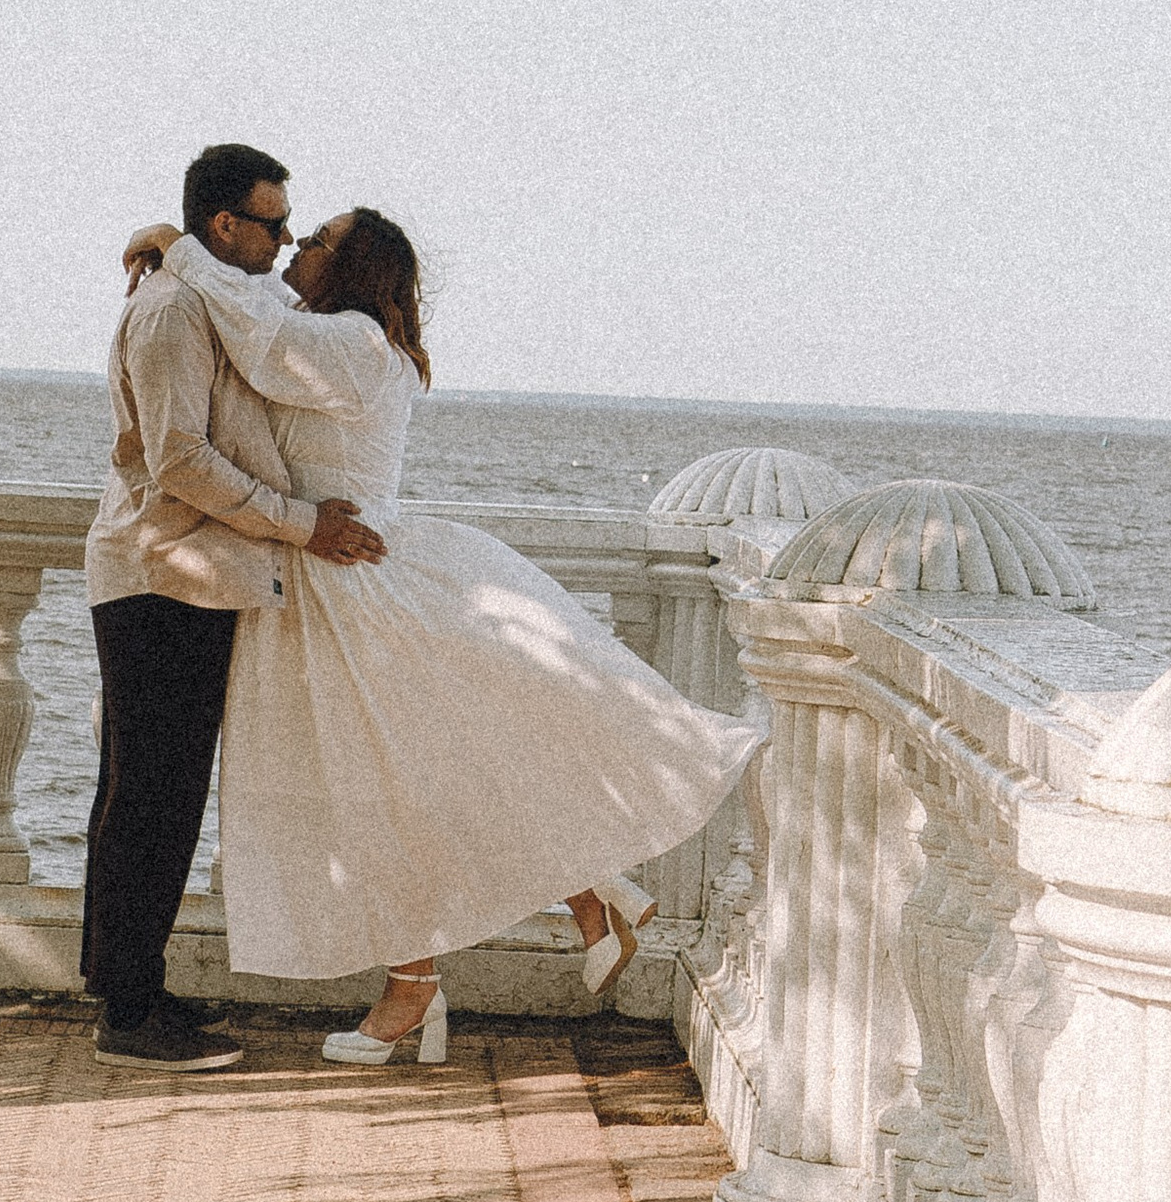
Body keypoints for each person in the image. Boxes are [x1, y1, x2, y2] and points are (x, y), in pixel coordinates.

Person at [119, 205, 758, 1063]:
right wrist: (183, 251)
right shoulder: (340, 336)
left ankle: (425, 981)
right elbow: (253, 321)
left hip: (344, 584)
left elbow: (259, 340)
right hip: (322, 579)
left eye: (321, 241)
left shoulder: (350, 342)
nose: (301, 247)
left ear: (358, 269)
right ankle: (576, 894)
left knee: (375, 793)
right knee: (403, 782)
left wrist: (182, 247)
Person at [81, 141, 388, 1070]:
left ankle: (132, 992)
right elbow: (177, 459)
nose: (288, 237)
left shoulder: (213, 295)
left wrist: (161, 239)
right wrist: (303, 525)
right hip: (162, 572)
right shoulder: (176, 310)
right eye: (275, 222)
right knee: (149, 799)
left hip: (190, 574)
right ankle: (129, 1014)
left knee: (153, 795)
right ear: (227, 225)